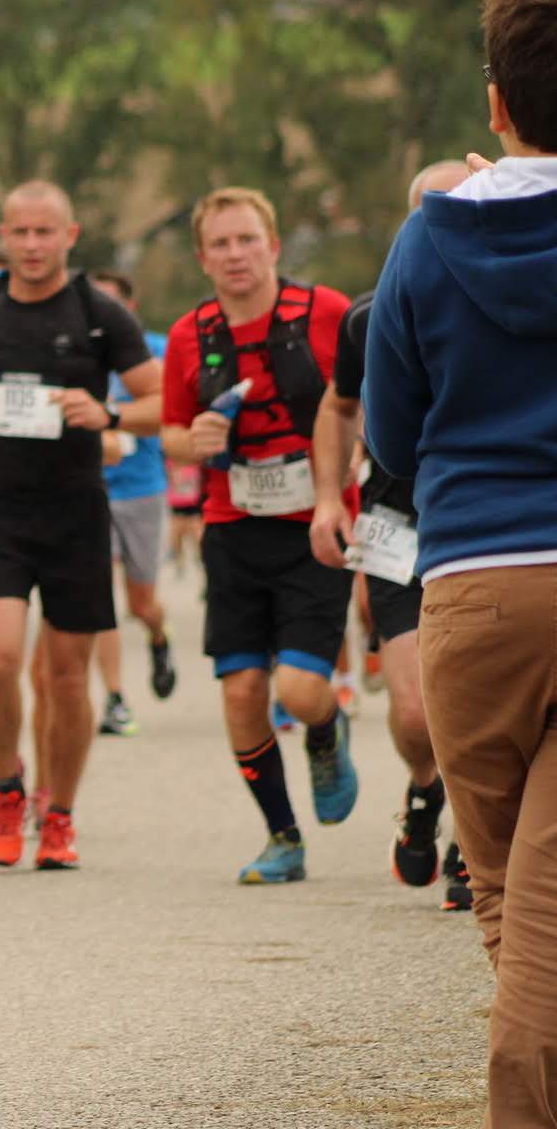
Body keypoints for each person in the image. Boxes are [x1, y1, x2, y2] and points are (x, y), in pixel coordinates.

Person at [365, 0, 557, 1128]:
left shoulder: (429, 241)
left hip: (477, 586)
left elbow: (390, 436)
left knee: (510, 901)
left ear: (495, 102)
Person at [0, 182, 159, 872]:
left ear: (69, 236)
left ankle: (60, 815)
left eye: (44, 232)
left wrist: (107, 413)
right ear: (3, 236)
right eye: (20, 232)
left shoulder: (100, 315)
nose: (32, 245)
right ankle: (8, 784)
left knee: (65, 677)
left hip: (75, 513)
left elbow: (160, 402)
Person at [159, 187, 359, 887]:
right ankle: (282, 837)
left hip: (317, 525)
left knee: (299, 689)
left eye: (247, 240)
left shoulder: (327, 313)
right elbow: (170, 433)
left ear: (273, 246)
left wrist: (356, 453)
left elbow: (372, 397)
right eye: (220, 244)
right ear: (202, 258)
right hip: (232, 525)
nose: (235, 255)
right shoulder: (189, 335)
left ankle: (326, 732)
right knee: (242, 690)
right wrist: (193, 438)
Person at [308, 159, 471, 903]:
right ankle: (426, 788)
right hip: (396, 524)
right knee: (413, 710)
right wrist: (327, 499)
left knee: (482, 698)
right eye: (429, 216)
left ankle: (471, 843)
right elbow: (339, 405)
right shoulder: (368, 316)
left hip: (478, 522)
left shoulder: (522, 298)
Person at [86, 270, 177, 732]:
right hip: (90, 488)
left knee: (141, 604)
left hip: (141, 487)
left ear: (129, 308)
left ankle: (159, 636)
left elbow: (173, 411)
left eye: (110, 304)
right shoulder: (78, 352)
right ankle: (115, 698)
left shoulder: (156, 351)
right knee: (98, 594)